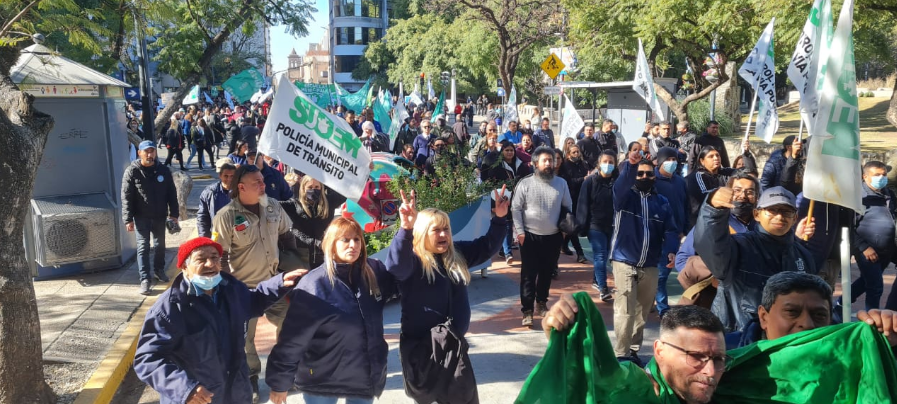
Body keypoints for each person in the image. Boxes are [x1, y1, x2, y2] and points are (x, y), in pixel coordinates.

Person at [134, 237, 307, 404]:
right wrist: (185, 389)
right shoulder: (170, 308)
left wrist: (279, 283)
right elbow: (148, 358)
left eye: (214, 258)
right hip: (198, 397)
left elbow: (253, 301)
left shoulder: (229, 289)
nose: (210, 264)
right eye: (201, 259)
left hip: (237, 392)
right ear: (184, 267)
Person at [386, 187, 510, 404]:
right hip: (422, 350)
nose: (443, 234)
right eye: (436, 230)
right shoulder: (413, 261)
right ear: (423, 233)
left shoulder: (457, 254)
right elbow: (395, 266)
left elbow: (487, 247)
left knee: (464, 398)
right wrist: (406, 229)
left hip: (454, 346)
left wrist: (499, 219)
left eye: (446, 229)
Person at [266, 218, 394, 404]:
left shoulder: (372, 272)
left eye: (357, 239)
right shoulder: (314, 284)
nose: (353, 245)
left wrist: (406, 233)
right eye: (345, 239)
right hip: (321, 381)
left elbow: (401, 276)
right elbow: (292, 340)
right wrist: (279, 382)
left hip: (363, 378)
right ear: (331, 244)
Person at [211, 164, 298, 401]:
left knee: (290, 324)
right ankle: (251, 376)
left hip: (274, 283)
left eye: (262, 181)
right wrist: (228, 288)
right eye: (257, 182)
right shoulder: (226, 216)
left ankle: (283, 370)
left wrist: (291, 263)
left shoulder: (272, 205)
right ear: (241, 187)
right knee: (245, 338)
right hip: (243, 289)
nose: (263, 185)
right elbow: (221, 255)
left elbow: (287, 234)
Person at [542, 299, 727, 403]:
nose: (710, 371)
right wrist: (561, 337)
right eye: (696, 356)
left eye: (718, 359)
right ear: (660, 351)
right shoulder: (632, 390)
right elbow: (594, 380)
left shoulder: (735, 382)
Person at [695, 185, 817, 332]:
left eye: (786, 211)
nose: (779, 216)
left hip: (788, 342)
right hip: (740, 341)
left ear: (795, 218)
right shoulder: (738, 246)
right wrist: (713, 210)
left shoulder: (803, 256)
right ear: (757, 214)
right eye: (772, 210)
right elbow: (709, 243)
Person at [610, 152, 679, 364]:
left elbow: (671, 229)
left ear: (654, 176)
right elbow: (620, 187)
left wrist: (671, 249)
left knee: (641, 312)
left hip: (650, 264)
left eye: (648, 174)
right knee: (625, 310)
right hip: (624, 261)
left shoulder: (662, 202)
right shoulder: (624, 197)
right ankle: (621, 354)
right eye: (640, 174)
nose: (644, 177)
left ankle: (632, 349)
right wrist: (630, 166)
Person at [675, 173, 760, 309]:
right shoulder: (713, 223)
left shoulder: (761, 227)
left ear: (757, 198)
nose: (743, 196)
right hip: (714, 302)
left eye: (750, 192)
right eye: (737, 190)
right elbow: (681, 260)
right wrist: (713, 274)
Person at [511, 147, 572, 326]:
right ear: (535, 163)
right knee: (529, 274)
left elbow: (568, 207)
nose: (548, 164)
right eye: (545, 160)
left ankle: (541, 302)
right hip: (529, 236)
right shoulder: (525, 183)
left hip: (553, 237)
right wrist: (520, 232)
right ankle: (527, 310)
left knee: (546, 272)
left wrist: (563, 230)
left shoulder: (561, 183)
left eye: (551, 160)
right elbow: (515, 208)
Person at [121, 141, 179, 295]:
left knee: (160, 246)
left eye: (152, 151)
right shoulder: (132, 171)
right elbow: (126, 197)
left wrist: (174, 214)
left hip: (159, 216)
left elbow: (171, 193)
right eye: (146, 151)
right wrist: (128, 219)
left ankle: (159, 270)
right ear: (139, 153)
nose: (149, 154)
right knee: (143, 247)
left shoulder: (163, 170)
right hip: (141, 217)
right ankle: (145, 278)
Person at [848, 161, 897, 310]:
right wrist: (863, 247)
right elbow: (848, 227)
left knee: (866, 282)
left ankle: (840, 305)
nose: (881, 178)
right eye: (877, 175)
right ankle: (872, 319)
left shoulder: (889, 194)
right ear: (865, 176)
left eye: (884, 174)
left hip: (887, 249)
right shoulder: (857, 197)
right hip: (867, 250)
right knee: (875, 287)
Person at [652, 147, 689, 317]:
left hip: (676, 234)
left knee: (666, 271)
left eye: (675, 159)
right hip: (658, 234)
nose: (672, 163)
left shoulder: (680, 182)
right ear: (660, 161)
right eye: (669, 159)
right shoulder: (652, 180)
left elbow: (686, 206)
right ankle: (663, 308)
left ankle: (652, 298)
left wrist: (684, 229)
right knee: (661, 272)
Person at [576, 150, 617, 301]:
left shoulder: (617, 182)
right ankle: (603, 288)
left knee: (605, 254)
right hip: (595, 225)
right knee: (600, 255)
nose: (608, 165)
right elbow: (582, 203)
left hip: (612, 225)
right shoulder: (590, 182)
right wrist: (581, 225)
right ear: (599, 164)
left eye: (611, 162)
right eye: (605, 162)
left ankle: (596, 280)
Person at [481, 141, 531, 264]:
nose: (509, 153)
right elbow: (490, 180)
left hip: (519, 198)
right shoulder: (497, 166)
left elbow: (527, 179)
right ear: (502, 152)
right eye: (507, 150)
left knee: (515, 222)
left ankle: (504, 249)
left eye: (511, 150)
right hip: (504, 199)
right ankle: (508, 252)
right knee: (507, 223)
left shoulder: (521, 165)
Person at [685, 145, 739, 228]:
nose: (716, 158)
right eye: (711, 156)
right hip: (703, 222)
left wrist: (747, 155)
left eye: (717, 155)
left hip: (724, 220)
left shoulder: (725, 173)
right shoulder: (697, 176)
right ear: (702, 161)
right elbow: (705, 195)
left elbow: (746, 173)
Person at [558, 144, 589, 263]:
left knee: (573, 224)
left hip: (580, 198)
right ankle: (580, 253)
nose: (576, 154)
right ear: (569, 154)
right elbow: (569, 181)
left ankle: (564, 245)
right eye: (574, 152)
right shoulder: (566, 166)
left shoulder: (583, 164)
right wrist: (583, 179)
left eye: (578, 152)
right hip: (569, 197)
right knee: (572, 224)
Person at [197, 159, 236, 238]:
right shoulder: (210, 192)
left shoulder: (243, 191)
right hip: (217, 234)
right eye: (226, 176)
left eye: (232, 176)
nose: (229, 179)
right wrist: (204, 238)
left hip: (238, 236)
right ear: (220, 176)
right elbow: (203, 217)